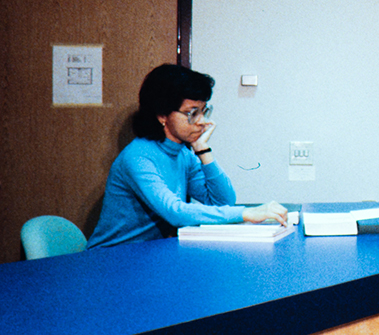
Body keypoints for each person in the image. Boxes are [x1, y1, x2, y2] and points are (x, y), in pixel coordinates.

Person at [86, 64, 287, 248]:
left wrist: (202, 149)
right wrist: (247, 213)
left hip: (150, 255)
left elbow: (222, 201)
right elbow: (175, 212)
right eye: (192, 113)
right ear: (162, 115)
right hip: (112, 259)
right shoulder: (138, 157)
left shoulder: (183, 153)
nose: (201, 122)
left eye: (203, 111)